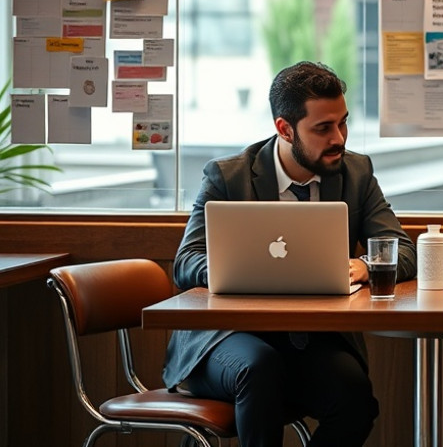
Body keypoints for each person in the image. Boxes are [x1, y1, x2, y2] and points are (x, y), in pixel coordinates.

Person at [162, 61, 417, 447]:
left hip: (308, 340)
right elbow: (186, 261)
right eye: (323, 128)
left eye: (343, 123)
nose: (339, 138)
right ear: (284, 129)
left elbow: (403, 250)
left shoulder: (356, 173)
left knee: (354, 397)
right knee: (260, 368)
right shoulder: (228, 176)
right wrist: (237, 268)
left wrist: (365, 266)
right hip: (226, 338)